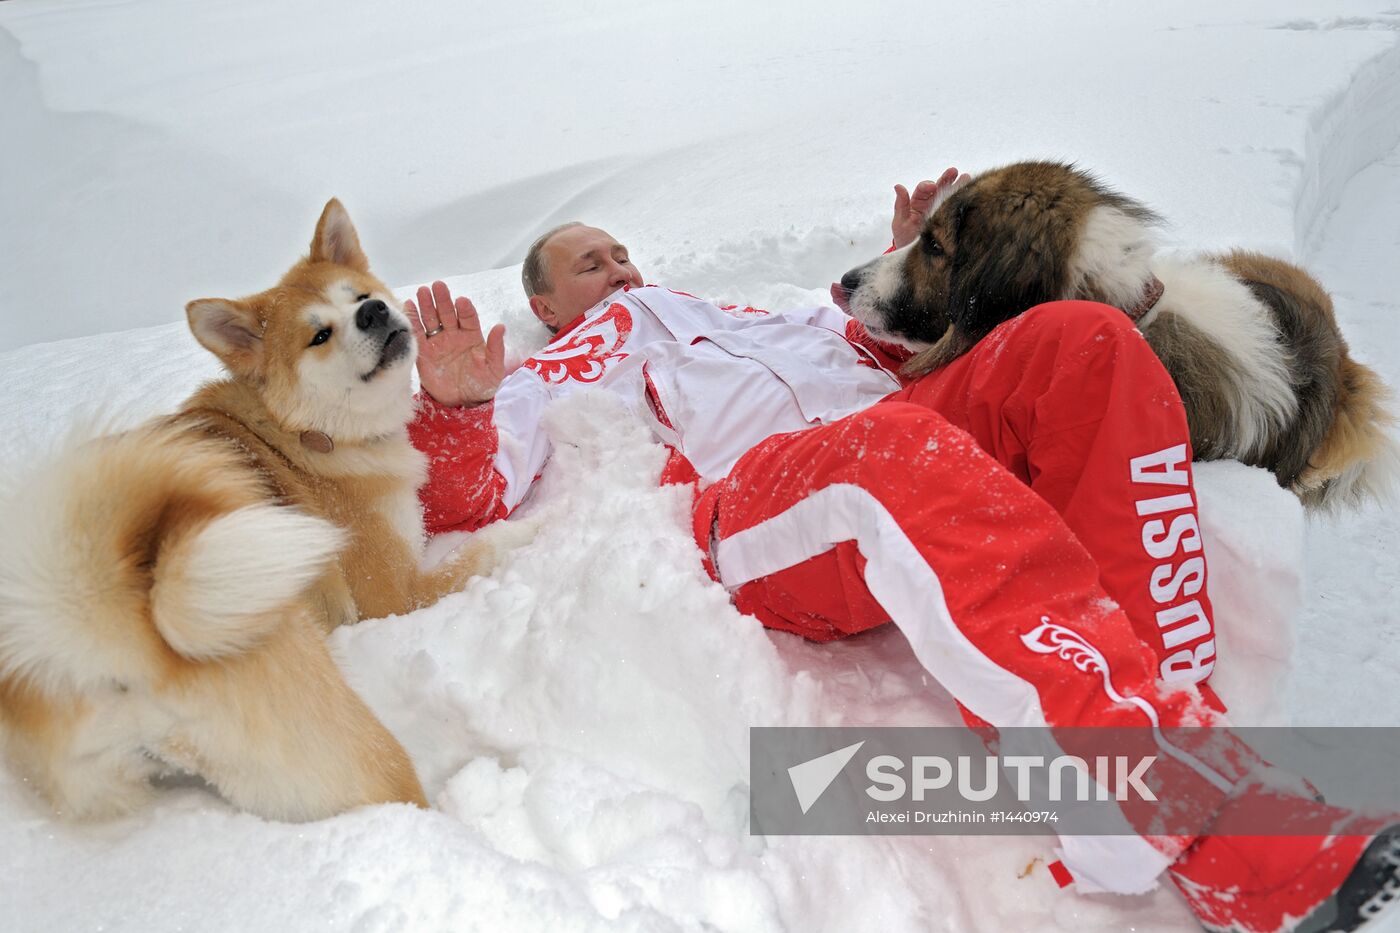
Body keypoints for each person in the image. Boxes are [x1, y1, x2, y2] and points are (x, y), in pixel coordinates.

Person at [402, 172, 1400, 932]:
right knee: (895, 449)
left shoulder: (751, 315)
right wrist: (456, 411)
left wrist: (903, 284)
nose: (617, 269)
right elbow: (471, 495)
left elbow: (867, 361)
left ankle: (1182, 758)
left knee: (1085, 341)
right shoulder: (586, 348)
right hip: (755, 507)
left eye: (619, 251)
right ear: (549, 306)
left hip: (899, 437)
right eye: (588, 264)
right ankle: (1187, 819)